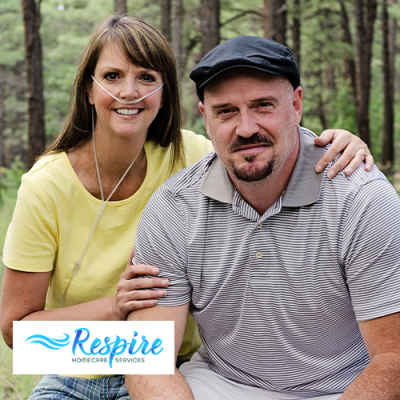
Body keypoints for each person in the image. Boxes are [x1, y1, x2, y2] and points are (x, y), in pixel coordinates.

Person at [0, 15, 371, 400]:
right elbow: (20, 339)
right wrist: (115, 308)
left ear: (164, 92)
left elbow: (261, 147)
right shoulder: (44, 186)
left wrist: (338, 143)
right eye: (111, 76)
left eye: (146, 77)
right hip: (74, 376)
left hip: (170, 370)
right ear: (88, 90)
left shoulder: (194, 155)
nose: (130, 91)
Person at [126, 36, 400, 400]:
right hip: (223, 384)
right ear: (205, 118)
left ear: (296, 104)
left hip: (345, 387)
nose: (246, 128)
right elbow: (148, 361)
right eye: (226, 111)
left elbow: (393, 358)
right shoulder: (174, 208)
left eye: (263, 105)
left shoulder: (361, 200)